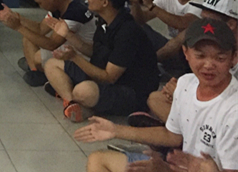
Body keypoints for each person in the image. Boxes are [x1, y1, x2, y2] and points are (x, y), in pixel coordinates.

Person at [76, 17, 238, 172]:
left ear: (234, 58)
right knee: (98, 160)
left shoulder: (233, 110)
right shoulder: (186, 83)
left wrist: (166, 170)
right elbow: (173, 136)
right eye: (200, 56)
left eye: (220, 58)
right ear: (186, 53)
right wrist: (115, 130)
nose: (208, 65)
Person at [43, 0, 159, 123]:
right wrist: (67, 34)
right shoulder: (105, 21)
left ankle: (76, 97)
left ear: (105, 2)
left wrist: (74, 57)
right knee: (51, 64)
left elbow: (109, 77)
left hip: (130, 90)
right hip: (101, 77)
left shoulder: (128, 31)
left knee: (84, 90)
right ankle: (72, 102)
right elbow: (95, 51)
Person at [142, 0, 238, 125]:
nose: (203, 26)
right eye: (202, 19)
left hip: (228, 116)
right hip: (206, 107)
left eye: (209, 22)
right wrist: (182, 90)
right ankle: (179, 130)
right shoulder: (204, 42)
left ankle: (175, 131)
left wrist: (184, 96)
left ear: (231, 24)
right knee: (156, 98)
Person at [0, 0, 96, 86]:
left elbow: (51, 44)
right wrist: (17, 17)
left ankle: (43, 72)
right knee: (28, 39)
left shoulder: (73, 14)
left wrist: (18, 27)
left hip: (82, 56)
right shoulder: (59, 8)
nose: (40, 6)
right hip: (69, 48)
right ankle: (36, 72)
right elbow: (40, 29)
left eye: (40, 3)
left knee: (38, 57)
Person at [127, 0, 205, 77]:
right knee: (135, 27)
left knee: (185, 33)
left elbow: (182, 23)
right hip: (169, 47)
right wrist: (135, 3)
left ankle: (149, 63)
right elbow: (140, 20)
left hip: (190, 52)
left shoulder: (203, 0)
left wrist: (151, 6)